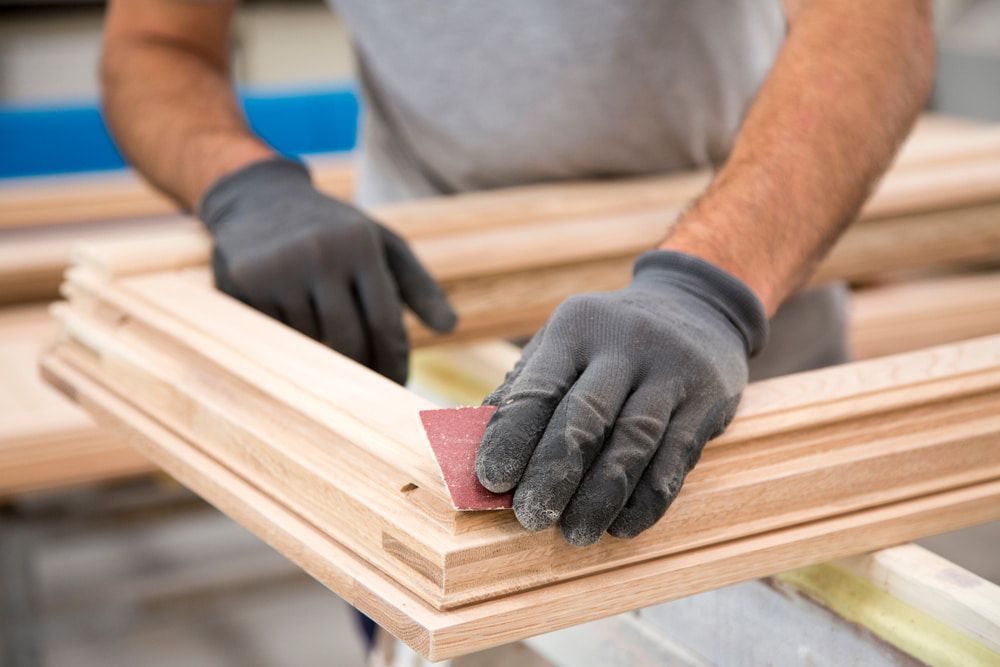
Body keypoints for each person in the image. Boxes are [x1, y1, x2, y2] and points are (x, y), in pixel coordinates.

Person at [100, 1, 933, 547]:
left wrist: (710, 283)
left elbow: (872, 22)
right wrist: (240, 183)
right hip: (416, 359)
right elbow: (154, 43)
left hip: (727, 348)